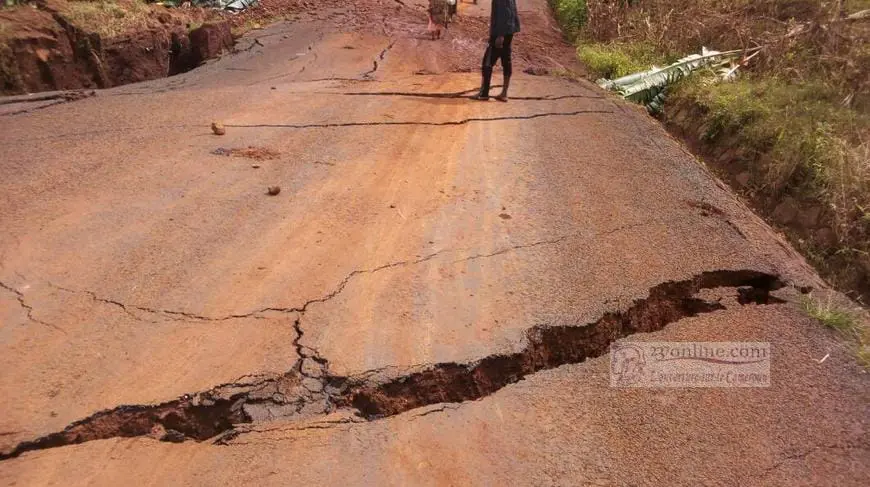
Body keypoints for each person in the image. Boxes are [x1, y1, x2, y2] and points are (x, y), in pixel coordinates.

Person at [472, 0, 520, 102]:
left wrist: (500, 35)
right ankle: (504, 93)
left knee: (487, 62)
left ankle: (484, 93)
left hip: (501, 33)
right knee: (506, 60)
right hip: (509, 31)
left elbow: (505, 13)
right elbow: (511, 12)